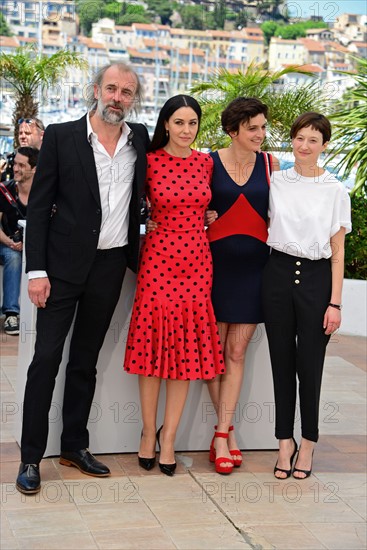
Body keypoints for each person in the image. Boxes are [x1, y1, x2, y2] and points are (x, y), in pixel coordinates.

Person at [16, 62, 150, 495]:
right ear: (96, 89)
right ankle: (31, 458)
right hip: (59, 270)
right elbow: (38, 209)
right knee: (45, 362)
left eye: (126, 92)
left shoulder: (140, 140)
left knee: (85, 362)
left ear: (134, 99)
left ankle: (74, 445)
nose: (117, 97)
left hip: (110, 267)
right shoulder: (61, 136)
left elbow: (178, 167)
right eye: (111, 88)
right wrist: (36, 271)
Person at [123, 95, 225, 476]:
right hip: (158, 260)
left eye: (192, 123)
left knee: (184, 355)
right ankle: (148, 433)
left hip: (197, 262)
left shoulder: (205, 162)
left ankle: (170, 439)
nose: (186, 130)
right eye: (179, 122)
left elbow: (210, 205)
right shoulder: (148, 162)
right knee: (151, 353)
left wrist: (208, 214)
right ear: (166, 124)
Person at [262, 112, 352, 479]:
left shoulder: (335, 190)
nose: (304, 146)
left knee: (309, 368)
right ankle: (285, 442)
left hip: (316, 280)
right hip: (277, 275)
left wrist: (335, 303)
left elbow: (338, 250)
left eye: (313, 140)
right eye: (299, 138)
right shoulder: (276, 181)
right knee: (280, 365)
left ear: (324, 146)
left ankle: (309, 442)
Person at [204, 97, 279, 474]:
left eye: (263, 127)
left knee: (236, 354)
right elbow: (190, 206)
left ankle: (220, 433)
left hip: (255, 272)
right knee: (212, 357)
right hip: (212, 271)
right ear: (233, 130)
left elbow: (284, 216)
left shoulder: (270, 164)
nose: (261, 135)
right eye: (253, 128)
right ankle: (228, 432)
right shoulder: (207, 162)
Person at [0, 147, 39, 335]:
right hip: (7, 243)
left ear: (34, 169)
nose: (15, 168)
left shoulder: (44, 193)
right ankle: (11, 313)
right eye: (15, 163)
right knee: (13, 256)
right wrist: (10, 242)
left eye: (21, 165)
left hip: (34, 243)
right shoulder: (4, 190)